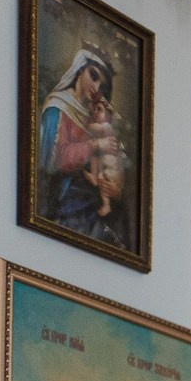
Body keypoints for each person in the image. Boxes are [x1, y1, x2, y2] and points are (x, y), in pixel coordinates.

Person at [38, 45, 127, 244]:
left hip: (92, 197)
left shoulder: (95, 118)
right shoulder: (57, 107)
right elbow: (54, 162)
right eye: (93, 76)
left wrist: (115, 190)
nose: (96, 88)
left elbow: (112, 162)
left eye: (102, 86)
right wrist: (95, 145)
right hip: (65, 198)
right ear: (79, 69)